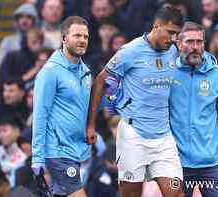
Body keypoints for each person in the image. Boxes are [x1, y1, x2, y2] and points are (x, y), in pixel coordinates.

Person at [86, 6, 184, 197]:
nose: (173, 38)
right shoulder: (130, 51)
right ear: (156, 26)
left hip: (163, 136)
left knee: (176, 193)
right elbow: (99, 82)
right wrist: (90, 124)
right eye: (170, 32)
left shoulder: (174, 52)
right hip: (133, 135)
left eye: (177, 34)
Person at [169, 22, 218, 197]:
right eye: (189, 42)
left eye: (199, 42)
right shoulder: (167, 73)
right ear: (178, 44)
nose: (195, 47)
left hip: (211, 163)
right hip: (176, 162)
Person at [31, 16, 92, 197]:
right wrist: (37, 157)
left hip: (75, 150)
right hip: (57, 150)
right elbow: (40, 115)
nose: (82, 40)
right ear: (64, 38)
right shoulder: (50, 72)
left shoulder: (86, 72)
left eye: (86, 37)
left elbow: (84, 108)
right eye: (77, 35)